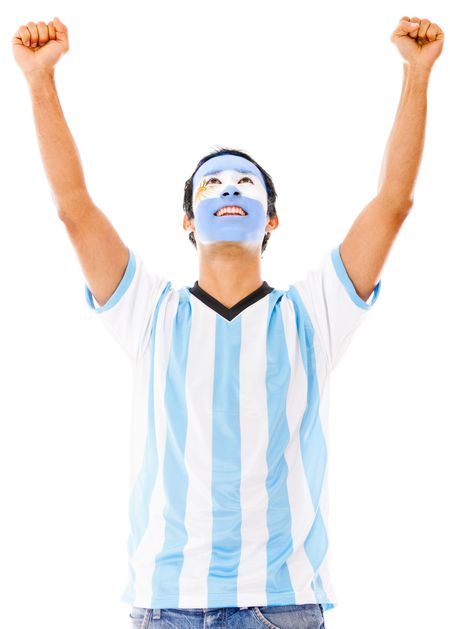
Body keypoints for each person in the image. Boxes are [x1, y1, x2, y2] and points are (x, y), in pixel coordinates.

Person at [12, 14, 444, 629]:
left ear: (271, 219)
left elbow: (392, 204)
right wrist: (40, 81)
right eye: (211, 183)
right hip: (168, 607)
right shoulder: (152, 312)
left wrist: (416, 75)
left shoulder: (312, 313)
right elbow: (75, 210)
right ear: (189, 220)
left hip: (282, 604)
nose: (229, 188)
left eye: (245, 181)